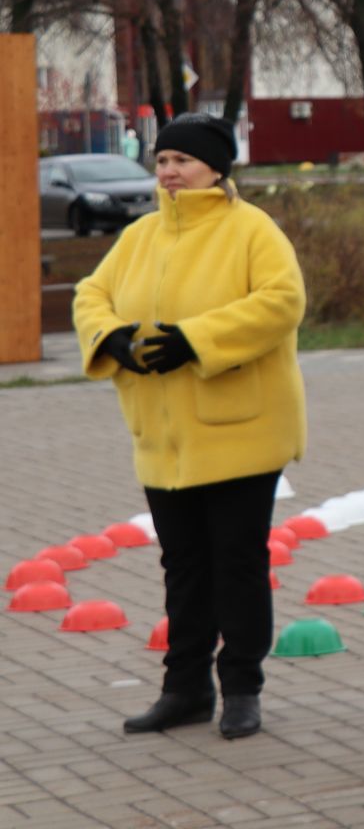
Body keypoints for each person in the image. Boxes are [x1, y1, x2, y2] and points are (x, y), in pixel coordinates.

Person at [72, 114, 306, 742]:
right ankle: (185, 689)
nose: (170, 172)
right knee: (183, 568)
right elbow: (91, 294)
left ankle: (243, 689)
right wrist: (112, 337)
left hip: (241, 436)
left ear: (216, 168)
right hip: (163, 439)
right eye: (163, 160)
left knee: (237, 565)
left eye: (183, 160)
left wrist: (195, 341)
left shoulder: (252, 229)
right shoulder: (140, 235)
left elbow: (282, 303)